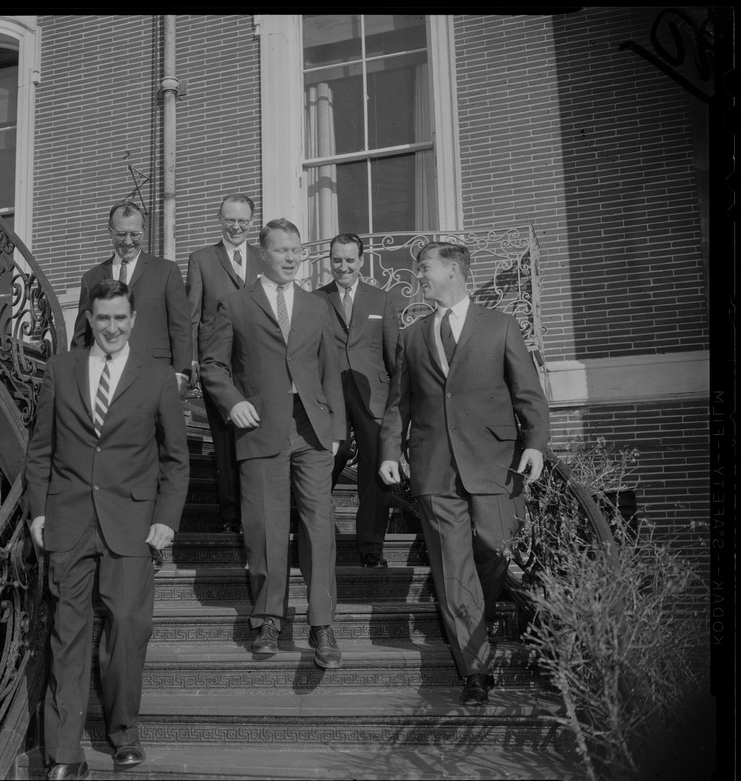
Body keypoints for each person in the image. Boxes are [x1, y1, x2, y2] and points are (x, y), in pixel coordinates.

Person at [26, 279, 190, 779]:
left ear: (133, 320)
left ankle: (124, 734)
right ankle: (64, 753)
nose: (112, 327)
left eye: (120, 318)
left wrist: (165, 519)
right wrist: (38, 512)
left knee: (126, 630)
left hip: (133, 524)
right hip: (69, 520)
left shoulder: (158, 377)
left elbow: (176, 461)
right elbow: (41, 452)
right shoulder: (60, 370)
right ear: (90, 320)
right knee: (66, 635)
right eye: (103, 318)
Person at [378, 241, 549, 705]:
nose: (419, 276)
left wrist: (534, 443)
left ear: (453, 270)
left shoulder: (502, 326)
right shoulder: (412, 335)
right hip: (434, 465)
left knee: (494, 545)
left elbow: (528, 394)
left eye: (425, 267)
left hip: (493, 461)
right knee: (452, 570)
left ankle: (479, 610)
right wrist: (390, 451)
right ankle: (475, 671)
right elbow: (399, 404)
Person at [201, 218, 346, 669]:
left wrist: (337, 429)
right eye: (282, 250)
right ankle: (268, 618)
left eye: (296, 250)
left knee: (318, 526)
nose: (290, 258)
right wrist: (232, 402)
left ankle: (322, 625)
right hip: (260, 427)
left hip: (312, 431)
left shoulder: (317, 305)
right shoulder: (234, 303)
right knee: (264, 527)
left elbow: (330, 373)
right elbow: (212, 365)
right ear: (263, 253)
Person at [315, 233, 400, 568]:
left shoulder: (381, 300)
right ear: (329, 261)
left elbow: (396, 359)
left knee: (375, 470)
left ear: (361, 261)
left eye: (350, 260)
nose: (343, 266)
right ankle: (312, 535)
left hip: (373, 397)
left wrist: (398, 407)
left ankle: (371, 547)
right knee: (322, 466)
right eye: (337, 260)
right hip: (329, 396)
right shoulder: (315, 300)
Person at [186, 193, 264, 533]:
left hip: (256, 362)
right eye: (230, 219)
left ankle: (255, 508)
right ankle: (231, 514)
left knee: (254, 435)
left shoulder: (264, 259)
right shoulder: (201, 259)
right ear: (220, 220)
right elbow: (191, 315)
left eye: (243, 220)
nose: (236, 226)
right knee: (224, 437)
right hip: (215, 362)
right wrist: (190, 359)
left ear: (251, 221)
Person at [70, 201, 192, 398]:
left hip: (155, 377)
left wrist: (181, 374)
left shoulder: (166, 271)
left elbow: (181, 327)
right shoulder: (91, 278)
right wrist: (78, 377)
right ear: (110, 232)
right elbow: (81, 338)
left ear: (143, 231)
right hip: (104, 382)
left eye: (135, 234)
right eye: (121, 234)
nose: (128, 241)